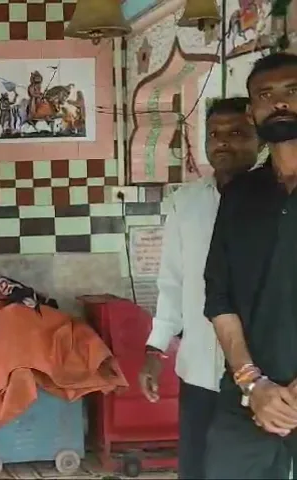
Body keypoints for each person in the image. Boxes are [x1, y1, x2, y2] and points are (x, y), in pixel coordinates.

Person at [138, 97, 260, 479]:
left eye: (238, 133)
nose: (223, 143)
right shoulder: (185, 203)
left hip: (263, 373)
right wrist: (155, 348)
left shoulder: (277, 201)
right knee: (196, 467)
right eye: (215, 135)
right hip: (201, 372)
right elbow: (172, 281)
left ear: (260, 139)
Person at [204, 52, 297, 479]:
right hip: (247, 399)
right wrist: (252, 384)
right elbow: (219, 298)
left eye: (292, 91)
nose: (279, 103)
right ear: (252, 110)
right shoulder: (240, 196)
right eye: (266, 95)